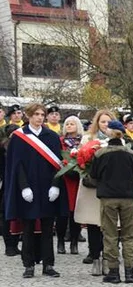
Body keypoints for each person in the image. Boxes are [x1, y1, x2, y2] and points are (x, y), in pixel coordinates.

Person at [3, 103, 67, 278]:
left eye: (42, 114)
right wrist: (24, 187)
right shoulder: (19, 137)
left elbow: (58, 164)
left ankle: (48, 264)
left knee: (48, 228)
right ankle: (28, 265)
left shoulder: (52, 136)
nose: (40, 117)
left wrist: (55, 185)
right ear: (28, 116)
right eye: (36, 114)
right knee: (28, 228)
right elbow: (17, 166)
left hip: (47, 188)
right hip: (29, 187)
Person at [90, 121, 133, 284]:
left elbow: (94, 175)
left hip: (108, 197)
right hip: (128, 197)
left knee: (110, 235)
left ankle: (113, 271)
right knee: (129, 235)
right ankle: (130, 272)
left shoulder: (100, 154)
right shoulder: (131, 153)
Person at [79, 110, 115, 276]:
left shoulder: (118, 139)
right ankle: (95, 258)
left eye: (108, 122)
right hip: (93, 188)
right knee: (94, 225)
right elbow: (80, 161)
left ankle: (108, 258)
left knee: (110, 226)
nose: (105, 125)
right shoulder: (88, 138)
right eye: (102, 122)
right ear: (97, 123)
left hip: (112, 188)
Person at [56, 116, 83, 255]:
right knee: (63, 212)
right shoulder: (60, 142)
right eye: (67, 124)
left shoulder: (82, 142)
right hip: (64, 179)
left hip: (78, 179)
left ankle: (74, 242)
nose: (69, 126)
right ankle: (60, 241)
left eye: (72, 124)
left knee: (76, 213)